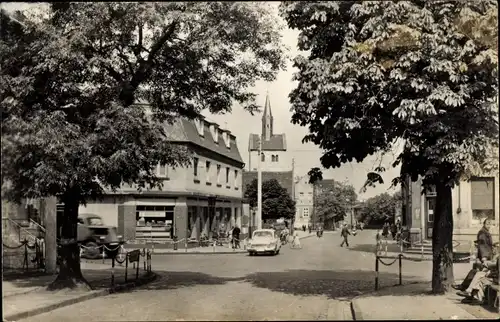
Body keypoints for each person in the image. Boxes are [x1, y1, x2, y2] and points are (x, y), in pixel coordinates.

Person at [452, 219, 494, 291]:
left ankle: (464, 287)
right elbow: (482, 245)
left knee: (476, 272)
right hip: (484, 257)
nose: (489, 226)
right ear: (484, 224)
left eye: (490, 224)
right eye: (487, 224)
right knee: (478, 272)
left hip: (486, 256)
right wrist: (484, 257)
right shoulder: (483, 233)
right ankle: (466, 288)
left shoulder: (486, 232)